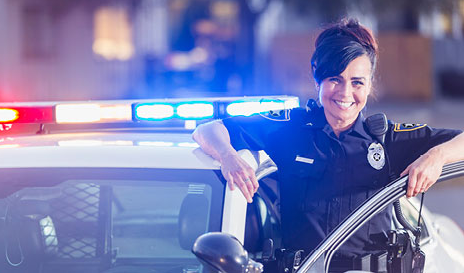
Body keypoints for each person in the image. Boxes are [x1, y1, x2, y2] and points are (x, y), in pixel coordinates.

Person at [192, 18, 464, 263]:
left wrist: (435, 156)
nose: (346, 93)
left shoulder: (388, 139)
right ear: (316, 75)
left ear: (369, 84)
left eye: (357, 82)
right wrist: (228, 156)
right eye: (335, 79)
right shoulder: (290, 129)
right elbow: (208, 129)